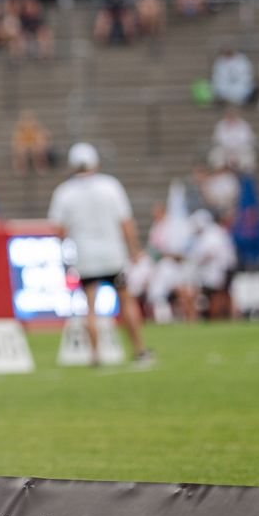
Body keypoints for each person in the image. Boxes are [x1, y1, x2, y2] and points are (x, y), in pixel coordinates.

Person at [48, 142, 153, 367]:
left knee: (90, 307)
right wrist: (133, 250)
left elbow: (58, 230)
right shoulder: (110, 186)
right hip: (113, 254)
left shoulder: (64, 192)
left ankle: (95, 355)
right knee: (126, 301)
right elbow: (126, 222)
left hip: (85, 256)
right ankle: (139, 349)